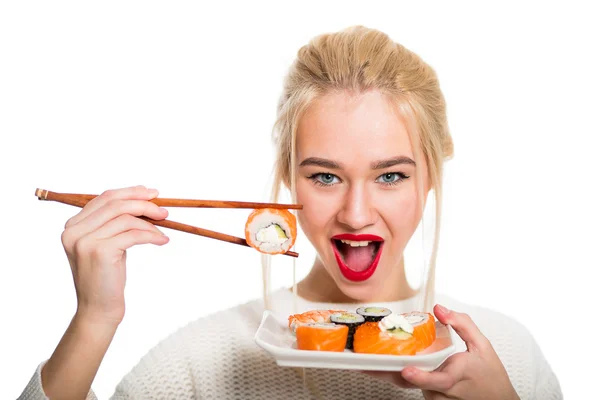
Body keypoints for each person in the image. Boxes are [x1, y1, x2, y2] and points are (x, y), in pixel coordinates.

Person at [19, 26, 562, 400]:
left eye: (390, 176)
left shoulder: (503, 351)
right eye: (325, 176)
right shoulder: (201, 360)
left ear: (431, 177)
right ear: (287, 178)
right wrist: (93, 319)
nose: (355, 214)